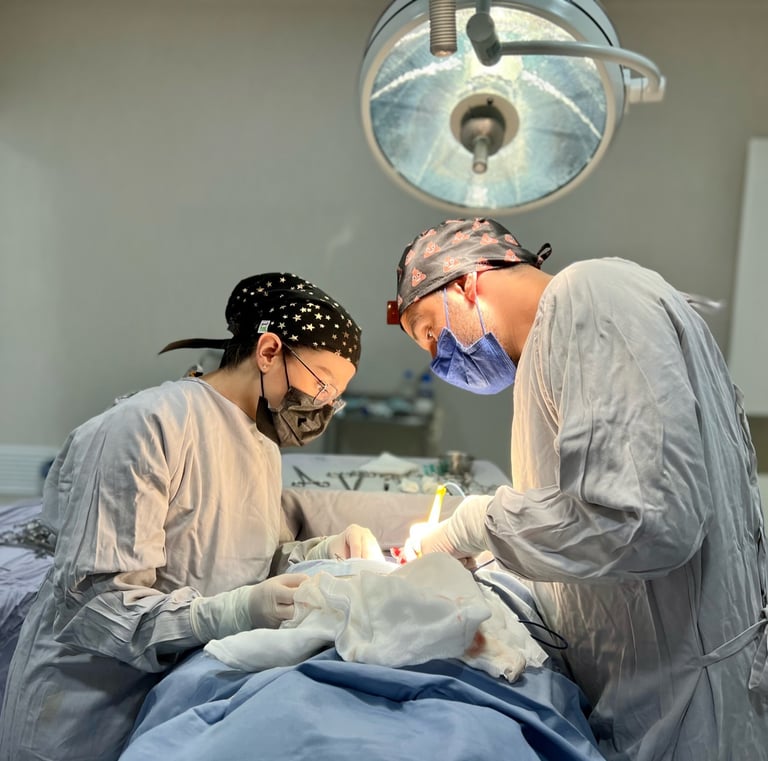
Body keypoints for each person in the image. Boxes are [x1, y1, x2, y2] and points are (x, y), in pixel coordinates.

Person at [387, 217, 768, 761]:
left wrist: (478, 525)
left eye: (430, 332)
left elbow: (646, 523)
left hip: (690, 707)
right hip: (644, 687)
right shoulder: (548, 356)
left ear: (464, 284)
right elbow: (582, 533)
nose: (436, 356)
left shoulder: (593, 296)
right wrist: (491, 569)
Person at [0, 272, 383, 761]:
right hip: (85, 711)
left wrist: (319, 554)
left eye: (336, 395)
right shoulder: (144, 427)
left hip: (172, 703)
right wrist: (231, 612)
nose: (325, 404)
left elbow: (230, 558)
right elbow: (96, 609)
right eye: (322, 383)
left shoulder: (259, 443)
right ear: (268, 352)